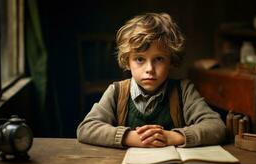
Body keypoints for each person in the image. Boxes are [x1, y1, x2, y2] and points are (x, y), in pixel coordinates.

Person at [77, 12, 226, 148]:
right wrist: (130, 137)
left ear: (171, 61)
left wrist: (174, 137)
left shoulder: (183, 90)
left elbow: (216, 126)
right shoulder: (116, 92)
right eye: (140, 59)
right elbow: (86, 128)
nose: (150, 69)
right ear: (127, 62)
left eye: (159, 59)